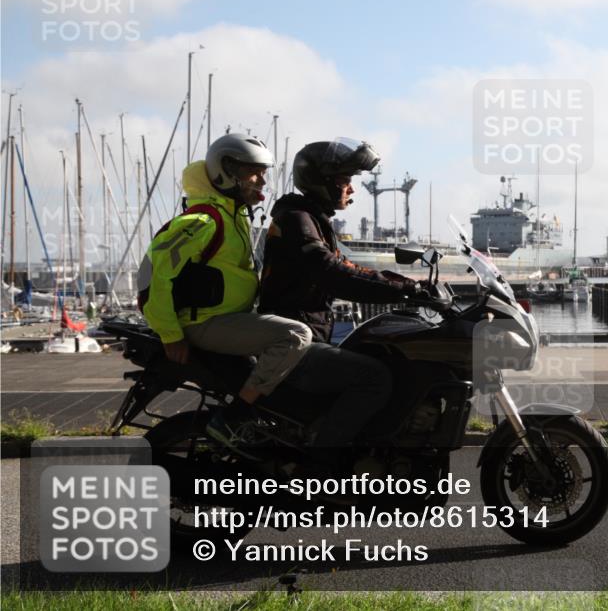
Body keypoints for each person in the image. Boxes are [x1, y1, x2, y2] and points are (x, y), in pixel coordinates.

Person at [139, 134, 313, 450]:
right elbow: (152, 275)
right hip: (206, 323)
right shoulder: (204, 219)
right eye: (254, 172)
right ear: (227, 171)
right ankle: (234, 416)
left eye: (264, 172)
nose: (262, 180)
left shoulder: (233, 214)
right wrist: (170, 335)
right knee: (295, 335)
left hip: (230, 319)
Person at [259, 138, 418, 447]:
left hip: (303, 337)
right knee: (375, 379)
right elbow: (333, 272)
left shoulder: (312, 220)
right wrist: (403, 291)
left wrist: (406, 285)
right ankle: (321, 466)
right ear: (322, 181)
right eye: (345, 180)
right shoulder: (297, 220)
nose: (352, 188)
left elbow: (346, 267)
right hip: (293, 346)